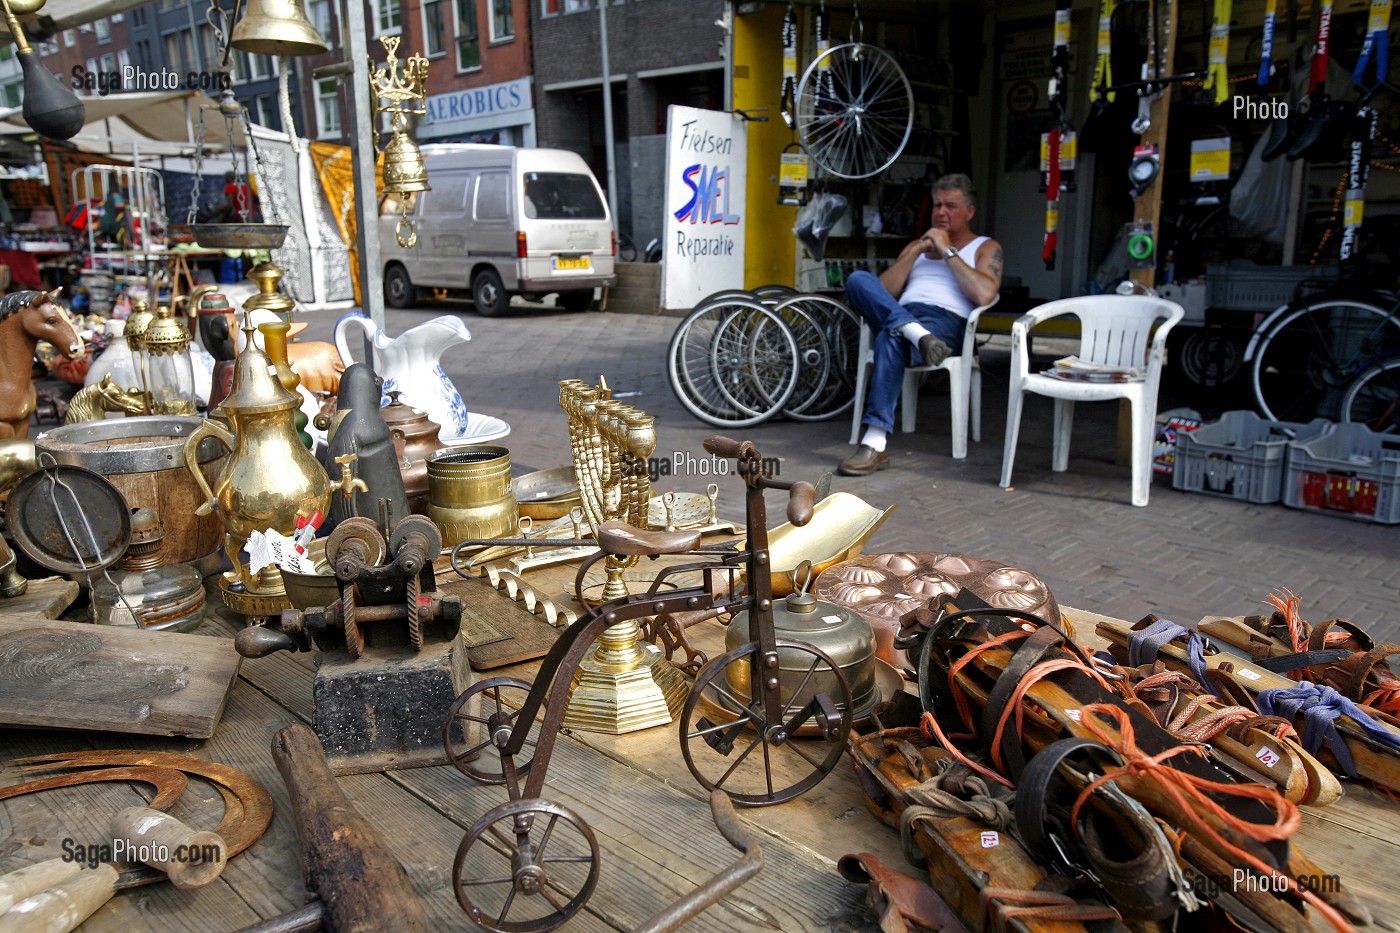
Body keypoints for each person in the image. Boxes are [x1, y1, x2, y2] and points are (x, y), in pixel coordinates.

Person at [837, 173, 1003, 476]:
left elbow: (983, 293)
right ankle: (916, 334)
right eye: (937, 205)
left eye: (950, 206)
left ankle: (874, 443)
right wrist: (915, 251)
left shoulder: (985, 246)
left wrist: (947, 251)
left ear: (970, 211)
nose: (940, 212)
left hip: (945, 322)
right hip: (906, 316)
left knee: (891, 334)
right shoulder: (917, 248)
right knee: (858, 280)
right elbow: (882, 293)